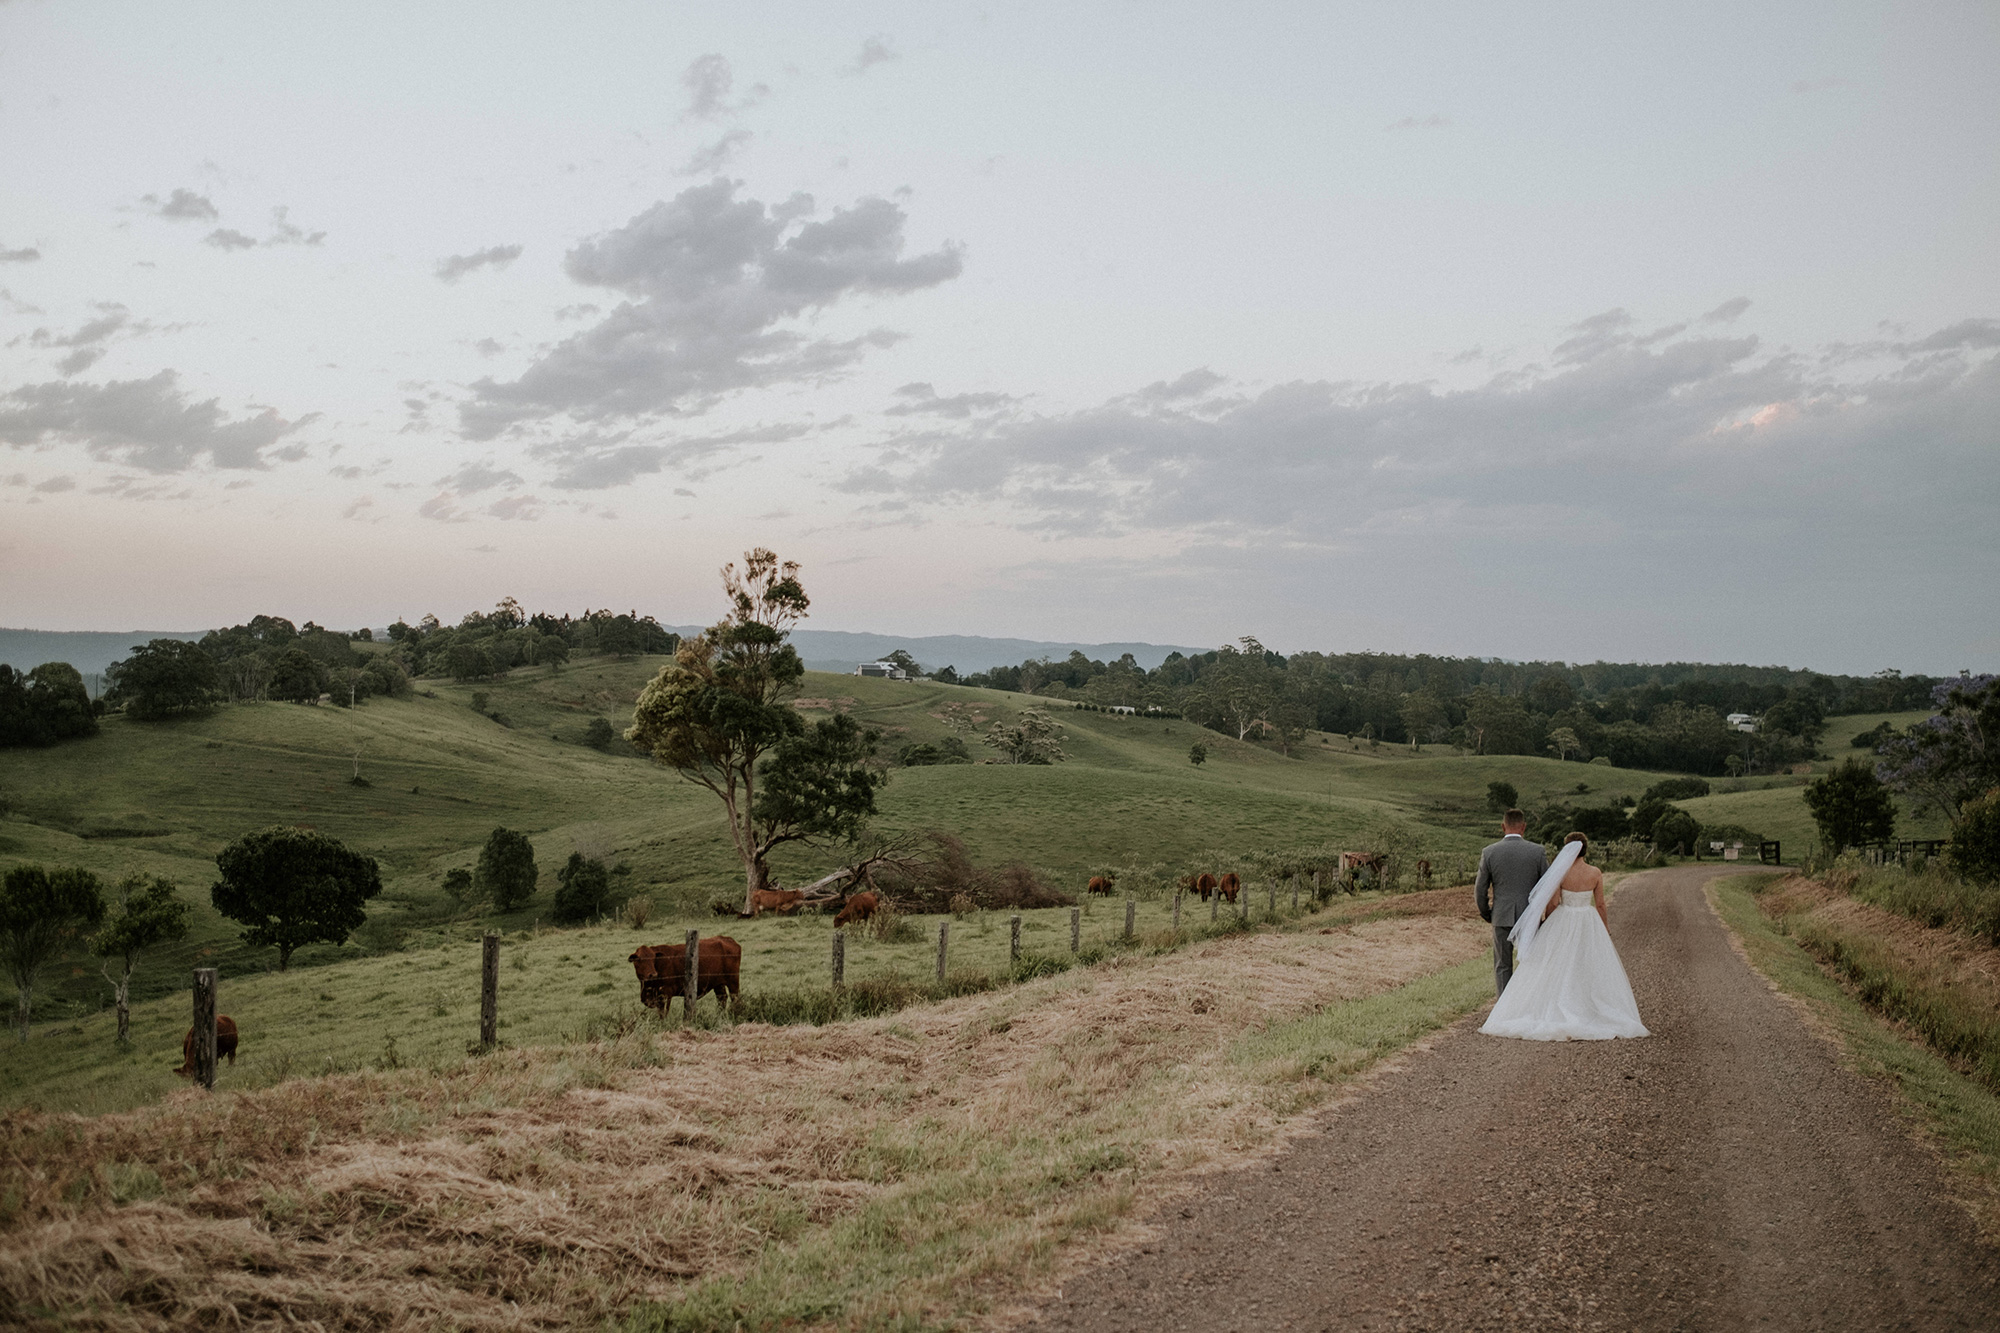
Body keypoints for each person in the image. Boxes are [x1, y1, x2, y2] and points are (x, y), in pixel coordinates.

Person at [1479, 832, 1649, 1041]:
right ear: (1585, 849)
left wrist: (1550, 924)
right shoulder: (1595, 872)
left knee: (1558, 964)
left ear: (1566, 849)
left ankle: (1558, 1004)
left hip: (1564, 918)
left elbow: (1552, 903)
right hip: (1587, 920)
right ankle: (1588, 1007)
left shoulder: (1560, 873)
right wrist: (1604, 927)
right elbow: (1601, 904)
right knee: (1586, 963)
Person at [1474, 808, 1546, 995]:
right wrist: (1541, 914)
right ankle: (1529, 1003)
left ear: (1502, 826)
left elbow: (1480, 890)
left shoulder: (1489, 852)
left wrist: (1488, 913)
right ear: (1524, 827)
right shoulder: (1538, 852)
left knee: (1502, 965)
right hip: (1530, 917)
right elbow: (1546, 888)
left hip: (1501, 915)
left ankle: (1504, 1011)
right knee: (1531, 962)